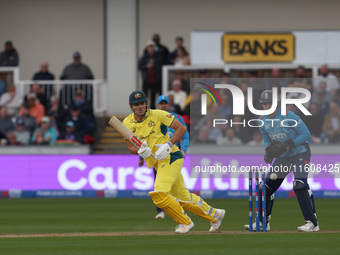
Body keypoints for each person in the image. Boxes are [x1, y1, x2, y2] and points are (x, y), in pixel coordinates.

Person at [124, 90, 225, 234]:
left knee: (159, 194)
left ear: (146, 103)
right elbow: (130, 147)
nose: (140, 107)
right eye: (136, 105)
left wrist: (169, 144)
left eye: (142, 103)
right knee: (183, 197)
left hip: (171, 156)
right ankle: (215, 214)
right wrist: (139, 151)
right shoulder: (127, 122)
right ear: (131, 106)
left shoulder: (157, 114)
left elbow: (181, 128)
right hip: (158, 162)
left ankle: (185, 222)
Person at [245, 90, 320, 232]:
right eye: (265, 104)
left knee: (299, 185)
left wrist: (288, 145)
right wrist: (270, 151)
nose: (267, 106)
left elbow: (306, 135)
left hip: (300, 153)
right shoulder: (261, 119)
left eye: (270, 103)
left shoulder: (288, 115)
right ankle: (262, 222)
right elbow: (267, 139)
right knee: (264, 189)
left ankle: (312, 224)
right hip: (283, 157)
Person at [138, 95, 190, 219]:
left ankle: (180, 210)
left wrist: (183, 150)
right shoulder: (152, 118)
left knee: (174, 186)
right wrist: (140, 157)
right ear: (157, 105)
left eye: (165, 103)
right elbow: (144, 140)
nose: (163, 105)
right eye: (161, 103)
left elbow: (185, 135)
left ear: (169, 104)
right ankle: (160, 211)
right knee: (159, 184)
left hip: (172, 156)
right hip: (156, 157)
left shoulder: (177, 118)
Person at [138, 41, 162, 109]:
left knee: (153, 97)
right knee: (144, 96)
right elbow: (140, 67)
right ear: (147, 48)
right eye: (149, 47)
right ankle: (144, 109)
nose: (151, 49)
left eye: (152, 47)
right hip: (146, 80)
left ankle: (152, 110)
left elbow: (161, 67)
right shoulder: (143, 57)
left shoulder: (158, 57)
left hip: (155, 80)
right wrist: (147, 66)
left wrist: (154, 66)